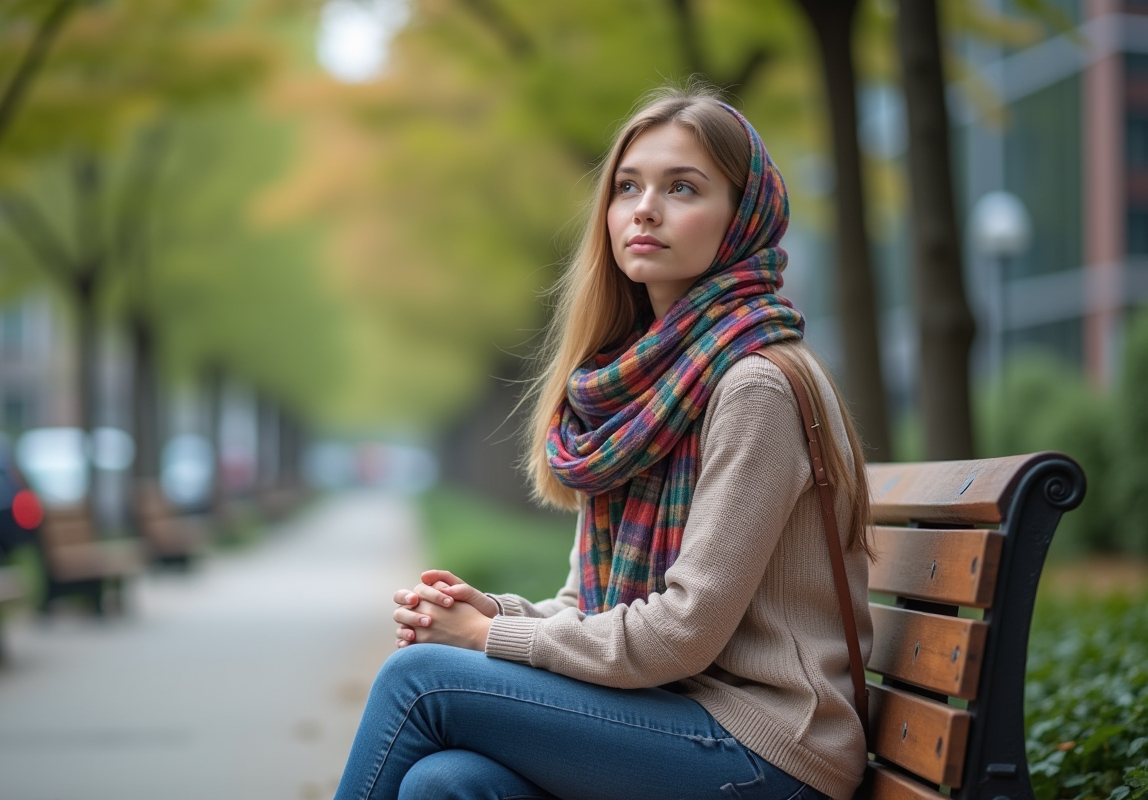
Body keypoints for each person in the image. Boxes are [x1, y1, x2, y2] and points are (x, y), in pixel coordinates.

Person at [332, 85, 874, 800]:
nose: (645, 208)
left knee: (419, 680)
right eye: (627, 187)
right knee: (447, 783)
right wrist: (497, 613)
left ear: (743, 218)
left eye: (683, 187)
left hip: (770, 751)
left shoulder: (753, 387)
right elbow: (588, 607)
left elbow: (680, 634)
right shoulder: (644, 387)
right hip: (680, 718)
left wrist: (483, 641)